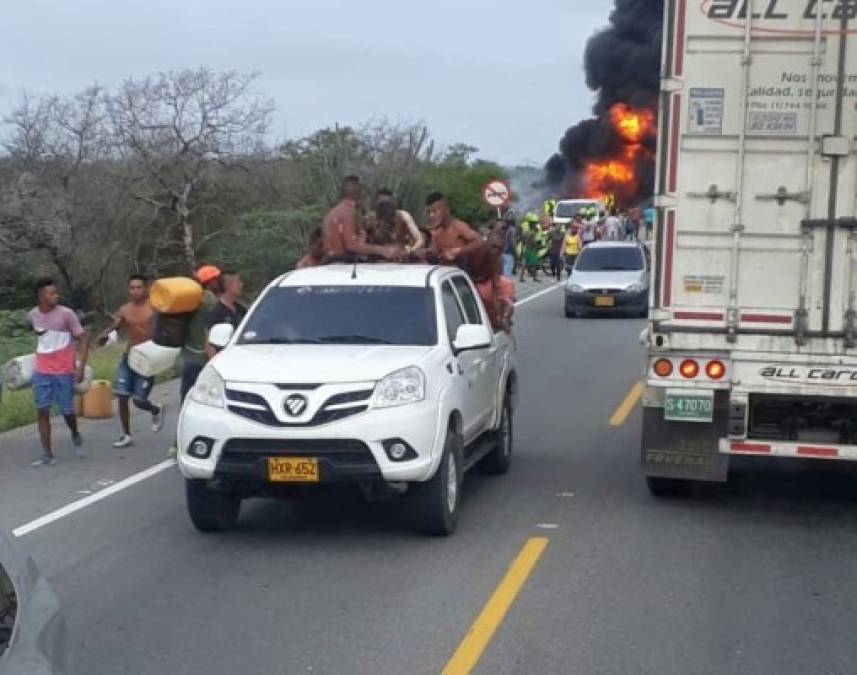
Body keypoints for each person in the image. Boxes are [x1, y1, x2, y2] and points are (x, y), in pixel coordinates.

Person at [96, 274, 166, 449]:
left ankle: (155, 409)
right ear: (129, 290)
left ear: (146, 288)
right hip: (129, 357)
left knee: (139, 400)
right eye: (132, 288)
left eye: (139, 287)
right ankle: (126, 435)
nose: (135, 291)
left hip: (148, 360)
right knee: (121, 395)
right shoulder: (125, 309)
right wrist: (104, 336)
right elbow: (115, 326)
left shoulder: (155, 307)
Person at [28, 278, 89, 467]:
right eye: (51, 293)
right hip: (42, 371)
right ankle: (47, 453)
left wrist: (80, 367)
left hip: (64, 371)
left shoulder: (66, 314)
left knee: (67, 411)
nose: (56, 296)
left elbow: (83, 339)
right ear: (41, 296)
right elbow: (39, 337)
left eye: (56, 292)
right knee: (42, 410)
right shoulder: (32, 315)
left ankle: (74, 432)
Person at [322, 176, 399, 261]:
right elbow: (351, 245)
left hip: (331, 261)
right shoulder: (347, 211)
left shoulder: (332, 213)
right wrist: (382, 250)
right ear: (357, 193)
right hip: (340, 262)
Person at [423, 192, 483, 263]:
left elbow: (479, 242)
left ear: (446, 210)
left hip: (465, 270)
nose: (431, 216)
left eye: (434, 211)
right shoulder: (436, 232)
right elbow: (435, 251)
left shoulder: (458, 226)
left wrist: (457, 251)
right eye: (429, 212)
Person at [205, 270, 247, 360]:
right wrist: (215, 363)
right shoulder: (216, 312)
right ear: (228, 285)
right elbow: (209, 344)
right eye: (238, 282)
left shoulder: (241, 309)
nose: (241, 285)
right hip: (223, 360)